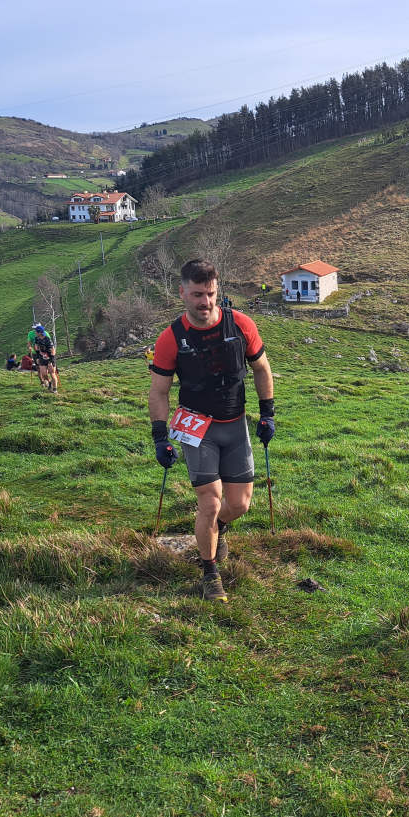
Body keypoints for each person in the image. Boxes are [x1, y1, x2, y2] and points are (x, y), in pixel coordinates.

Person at [148, 258, 275, 603]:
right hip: (197, 428)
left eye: (211, 294)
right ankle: (209, 573)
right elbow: (159, 391)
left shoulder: (241, 325)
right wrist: (160, 436)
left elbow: (262, 369)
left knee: (240, 504)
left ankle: (217, 530)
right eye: (197, 295)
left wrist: (268, 413)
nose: (205, 302)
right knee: (210, 501)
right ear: (182, 293)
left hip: (234, 424)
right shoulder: (171, 339)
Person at [31, 325, 59, 392]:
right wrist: (37, 357)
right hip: (42, 357)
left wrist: (51, 361)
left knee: (52, 373)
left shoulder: (47, 339)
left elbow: (53, 350)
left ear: (40, 332)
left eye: (36, 332)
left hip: (50, 357)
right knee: (43, 374)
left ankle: (55, 390)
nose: (35, 333)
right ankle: (49, 383)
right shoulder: (37, 339)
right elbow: (36, 348)